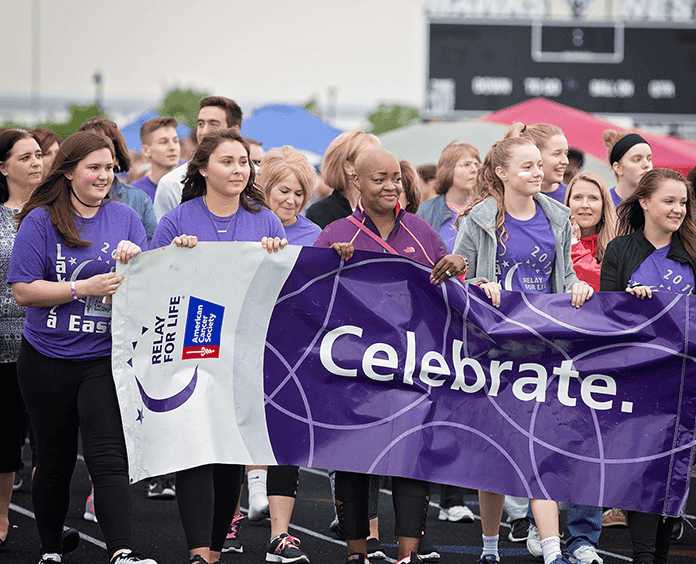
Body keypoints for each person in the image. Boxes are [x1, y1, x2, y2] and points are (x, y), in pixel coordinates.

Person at [8, 131, 156, 564]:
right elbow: (23, 291)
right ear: (69, 171)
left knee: (108, 455)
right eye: (94, 167)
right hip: (45, 358)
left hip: (101, 358)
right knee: (53, 459)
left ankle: (121, 551)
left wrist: (130, 269)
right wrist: (81, 287)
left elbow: (137, 295)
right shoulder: (40, 219)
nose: (104, 176)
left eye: (110, 168)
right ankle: (51, 550)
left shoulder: (126, 219)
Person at [315, 148, 468, 564]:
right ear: (357, 182)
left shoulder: (421, 230)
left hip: (412, 368)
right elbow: (310, 299)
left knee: (411, 459)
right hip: (353, 370)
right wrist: (331, 265)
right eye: (379, 178)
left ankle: (407, 554)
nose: (390, 186)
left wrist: (457, 262)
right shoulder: (334, 233)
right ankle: (356, 553)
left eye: (396, 178)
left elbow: (451, 289)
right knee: (351, 462)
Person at [453, 137, 593, 564]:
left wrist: (578, 287)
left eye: (539, 166)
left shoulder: (557, 216)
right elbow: (456, 278)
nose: (539, 173)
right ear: (501, 173)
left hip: (543, 348)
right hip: (493, 351)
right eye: (528, 167)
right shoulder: (478, 219)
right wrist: (479, 284)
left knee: (542, 444)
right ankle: (490, 546)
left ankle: (552, 549)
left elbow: (564, 277)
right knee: (493, 454)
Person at [150, 129, 287, 564]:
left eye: (244, 162)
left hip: (244, 356)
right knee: (196, 450)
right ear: (203, 168)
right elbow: (153, 285)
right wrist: (174, 255)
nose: (238, 169)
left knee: (230, 455)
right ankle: (198, 553)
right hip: (190, 351)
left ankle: (213, 548)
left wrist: (276, 256)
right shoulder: (177, 220)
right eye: (227, 161)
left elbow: (280, 291)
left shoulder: (266, 220)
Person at [600, 168, 696, 563]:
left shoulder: (692, 249)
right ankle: (643, 556)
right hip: (637, 378)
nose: (679, 209)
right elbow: (603, 318)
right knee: (641, 470)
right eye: (670, 201)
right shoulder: (621, 250)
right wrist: (629, 301)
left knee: (673, 473)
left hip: (685, 381)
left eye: (684, 202)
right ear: (644, 202)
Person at [0, 129, 43, 551]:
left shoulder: (56, 212)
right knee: (5, 439)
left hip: (48, 341)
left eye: (38, 154)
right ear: (3, 166)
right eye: (25, 156)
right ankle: (0, 519)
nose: (36, 162)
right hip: (1, 344)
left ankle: (46, 524)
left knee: (49, 440)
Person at [153, 96, 243, 220]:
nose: (204, 131)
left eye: (213, 124)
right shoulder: (172, 184)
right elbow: (164, 236)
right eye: (200, 124)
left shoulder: (258, 180)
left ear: (234, 131)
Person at [77, 118, 158, 247]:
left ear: (116, 158)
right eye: (91, 150)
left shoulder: (137, 200)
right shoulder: (66, 200)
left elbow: (154, 248)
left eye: (107, 149)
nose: (100, 154)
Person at [305, 130, 380, 229]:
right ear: (348, 167)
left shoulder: (388, 207)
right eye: (370, 158)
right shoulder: (319, 213)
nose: (379, 164)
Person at [416, 141, 481, 252]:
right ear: (448, 170)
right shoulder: (426, 211)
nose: (474, 170)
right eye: (466, 164)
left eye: (477, 164)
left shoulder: (486, 210)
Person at [565, 171, 617, 290]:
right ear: (568, 203)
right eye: (577, 197)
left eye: (593, 198)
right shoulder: (554, 241)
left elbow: (601, 283)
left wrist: (574, 244)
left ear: (604, 206)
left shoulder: (618, 245)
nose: (585, 205)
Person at [258, 145, 320, 245]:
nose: (291, 200)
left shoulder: (314, 235)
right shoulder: (244, 224)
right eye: (284, 191)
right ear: (265, 188)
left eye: (298, 194)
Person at [505, 122, 569, 204]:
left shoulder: (572, 196)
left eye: (566, 153)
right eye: (557, 154)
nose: (566, 161)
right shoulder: (507, 198)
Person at [132, 116, 181, 202]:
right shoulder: (135, 194)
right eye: (163, 142)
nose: (173, 147)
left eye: (175, 141)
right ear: (146, 151)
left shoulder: (195, 185)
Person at [602, 130, 653, 207]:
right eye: (637, 159)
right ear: (618, 168)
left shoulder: (658, 203)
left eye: (649, 159)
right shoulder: (604, 204)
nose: (646, 165)